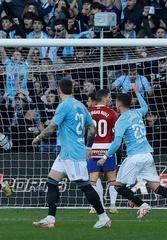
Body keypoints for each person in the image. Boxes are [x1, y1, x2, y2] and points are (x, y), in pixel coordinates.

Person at [97, 84, 167, 219]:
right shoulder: (137, 113)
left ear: (118, 104)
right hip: (147, 155)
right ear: (130, 103)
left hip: (134, 157)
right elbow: (146, 107)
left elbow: (117, 143)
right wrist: (138, 92)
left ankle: (142, 205)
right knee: (156, 187)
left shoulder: (121, 120)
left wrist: (105, 156)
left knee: (117, 186)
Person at [32, 79, 111, 229]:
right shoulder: (81, 105)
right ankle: (50, 218)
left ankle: (103, 217)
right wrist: (88, 148)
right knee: (51, 182)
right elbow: (91, 128)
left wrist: (38, 137)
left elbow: (52, 127)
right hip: (66, 152)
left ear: (60, 91)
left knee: (84, 185)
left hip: (72, 152)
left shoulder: (64, 106)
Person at [87, 89, 119, 214]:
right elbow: (116, 132)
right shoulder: (111, 112)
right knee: (112, 178)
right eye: (109, 97)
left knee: (93, 180)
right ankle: (113, 205)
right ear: (104, 99)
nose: (110, 99)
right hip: (107, 149)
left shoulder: (89, 112)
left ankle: (95, 206)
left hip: (93, 149)